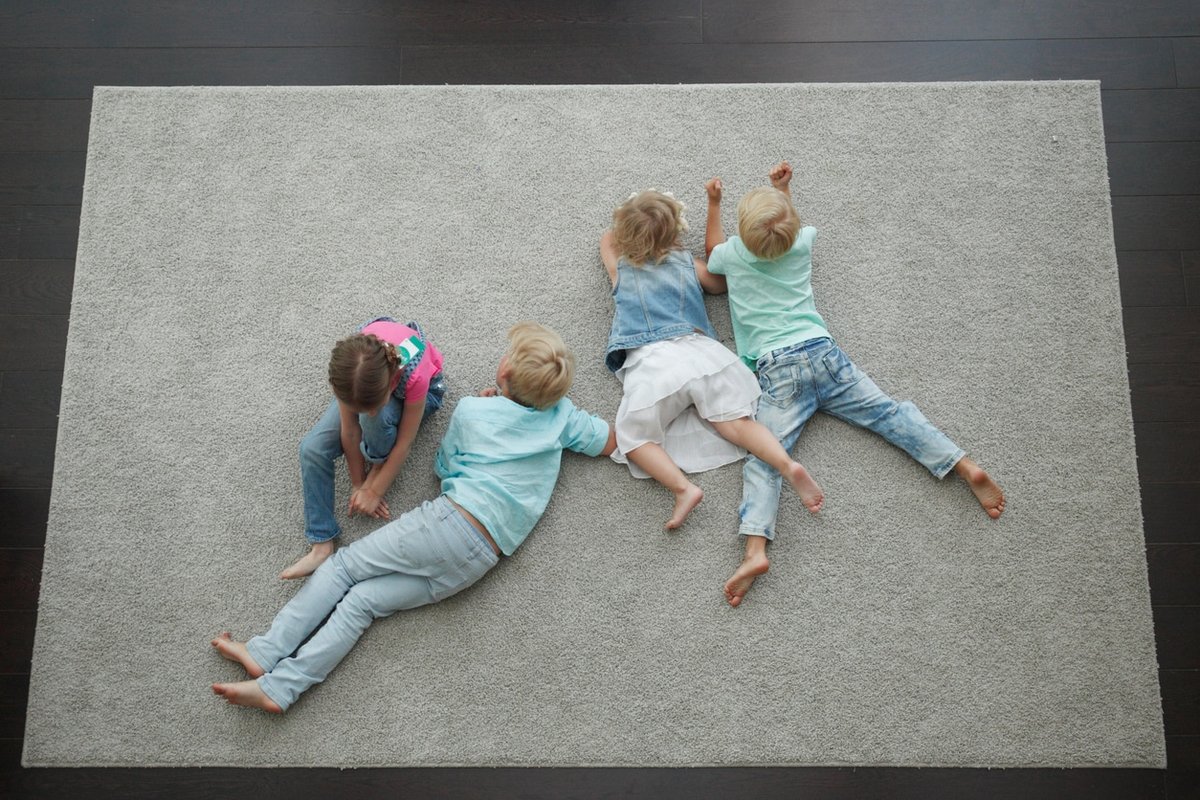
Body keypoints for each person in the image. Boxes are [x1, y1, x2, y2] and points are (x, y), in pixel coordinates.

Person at [212, 322, 616, 713]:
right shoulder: (564, 417)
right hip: (481, 560)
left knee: (342, 568)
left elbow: (443, 466)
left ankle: (265, 652)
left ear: (505, 371)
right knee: (363, 604)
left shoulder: (473, 410)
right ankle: (281, 688)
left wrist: (488, 407)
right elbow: (611, 442)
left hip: (450, 523)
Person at [704, 162, 1006, 607]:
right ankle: (962, 464)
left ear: (743, 237)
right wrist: (783, 190)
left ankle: (755, 550)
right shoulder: (801, 243)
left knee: (766, 458)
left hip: (778, 372)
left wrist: (714, 204)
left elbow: (711, 249)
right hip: (825, 355)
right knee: (888, 414)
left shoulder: (732, 255)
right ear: (792, 228)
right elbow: (789, 224)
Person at [600, 189, 824, 531]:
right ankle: (784, 464)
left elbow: (607, 240)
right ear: (676, 233)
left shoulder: (622, 268)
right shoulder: (687, 263)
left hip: (654, 363)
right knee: (735, 423)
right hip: (701, 355)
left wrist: (631, 222)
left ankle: (683, 489)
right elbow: (720, 285)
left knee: (634, 437)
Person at [281, 317, 446, 580]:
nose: (361, 414)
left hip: (426, 391)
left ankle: (378, 462)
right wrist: (358, 483)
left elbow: (404, 442)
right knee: (312, 448)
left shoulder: (415, 374)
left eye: (367, 407)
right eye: (356, 409)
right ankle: (322, 543)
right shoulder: (348, 373)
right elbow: (349, 429)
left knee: (374, 419)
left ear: (390, 386)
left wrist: (374, 489)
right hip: (365, 386)